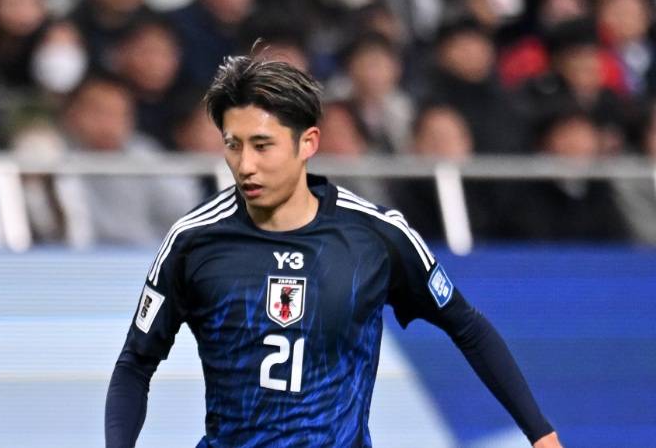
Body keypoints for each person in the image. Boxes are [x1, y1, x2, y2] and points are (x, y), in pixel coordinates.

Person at [104, 55, 562, 447]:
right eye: (233, 145)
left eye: (262, 146)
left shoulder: (376, 236)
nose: (245, 165)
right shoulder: (193, 239)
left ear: (308, 143)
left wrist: (540, 433)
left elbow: (468, 327)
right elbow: (135, 363)